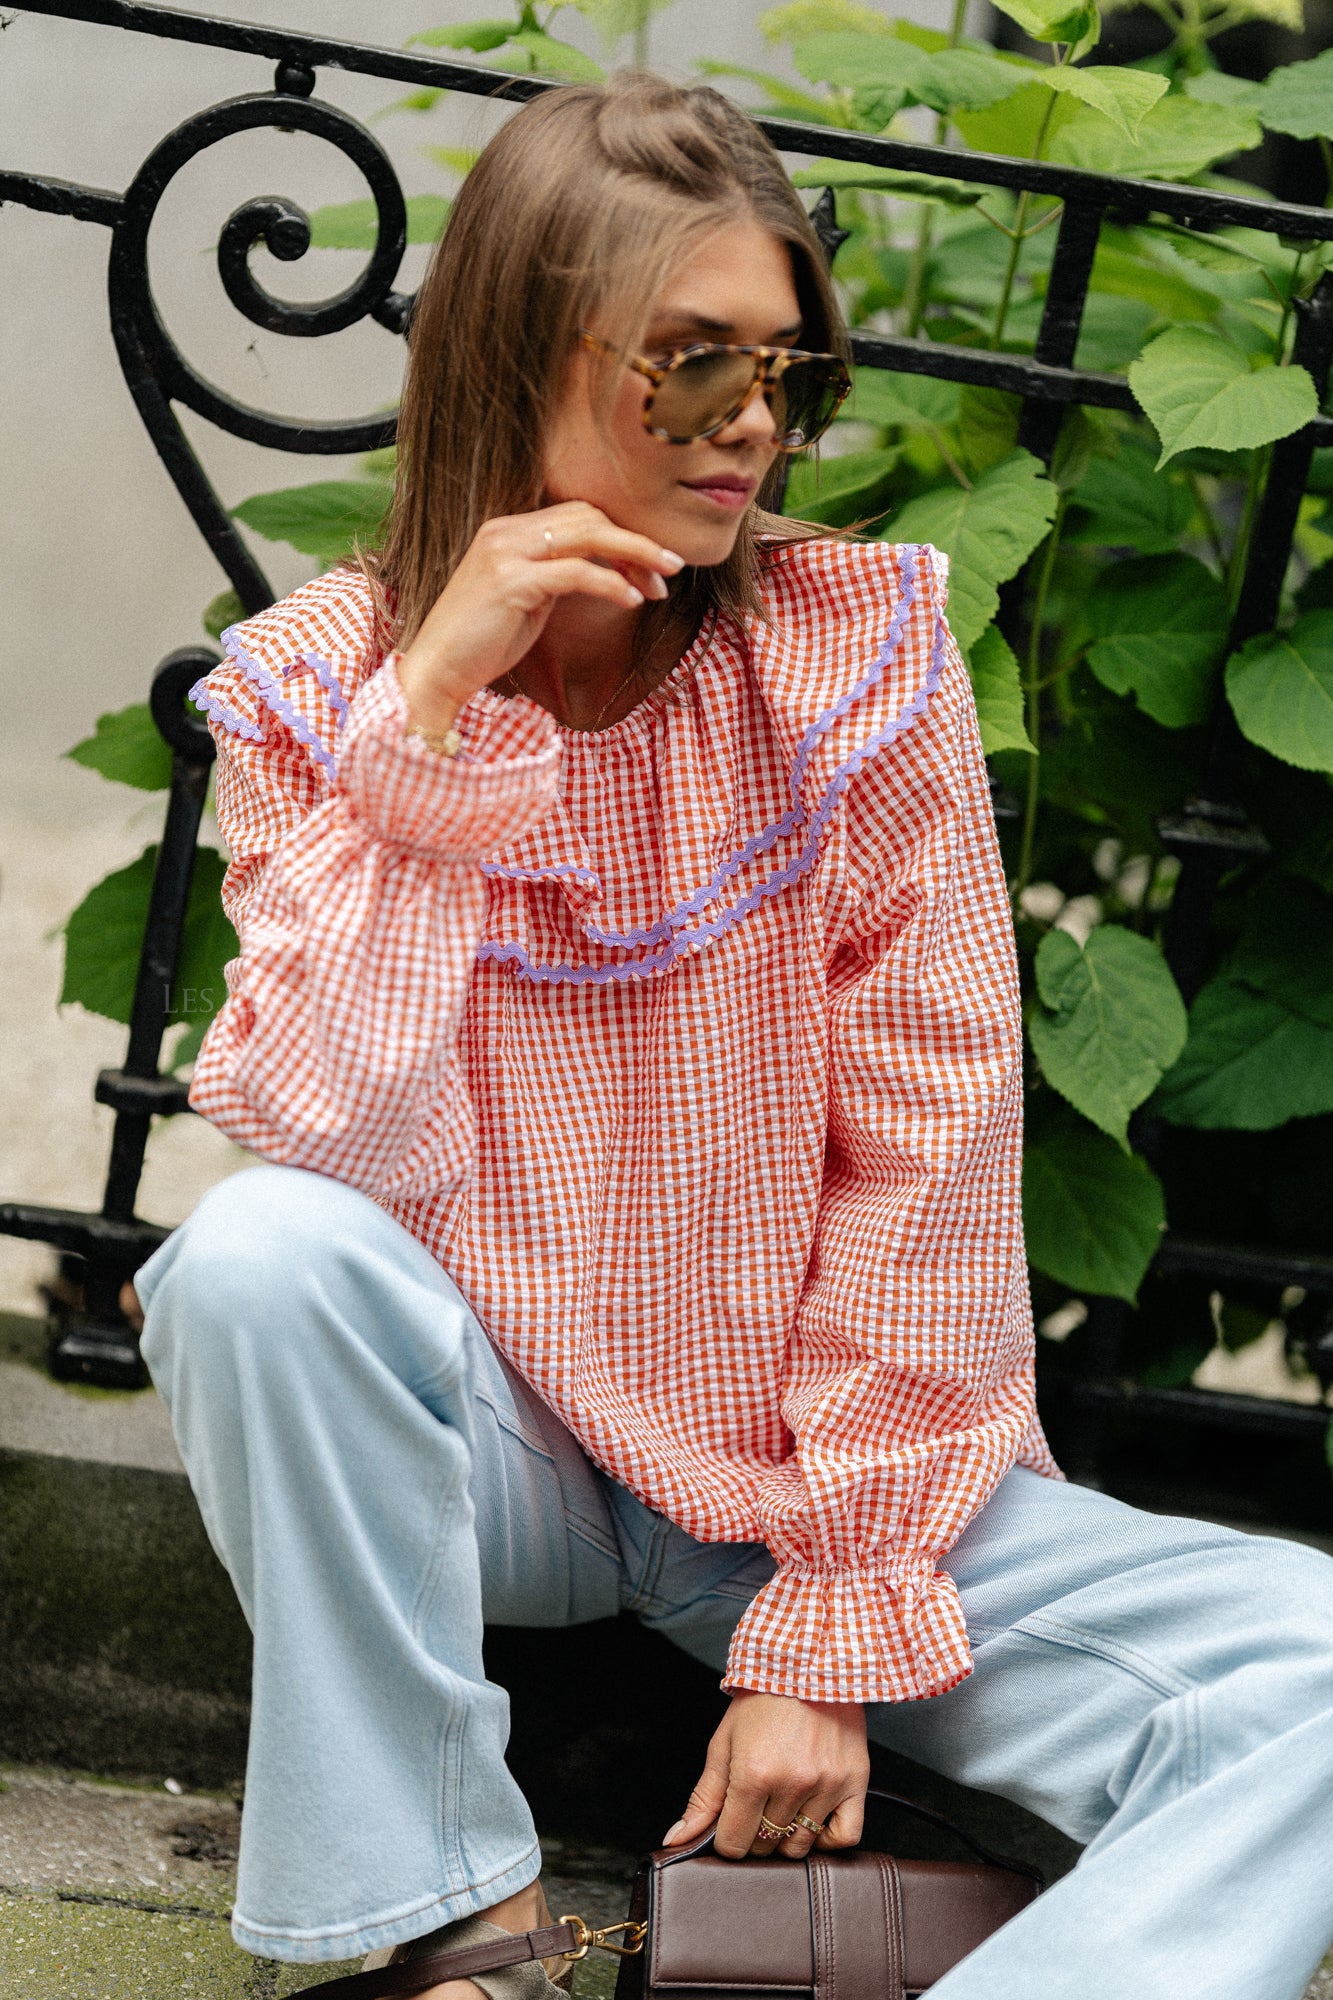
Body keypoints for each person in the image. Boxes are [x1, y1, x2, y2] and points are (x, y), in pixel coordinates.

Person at [128, 72, 1333, 2000]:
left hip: (813, 1480)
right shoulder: (314, 693)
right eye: (695, 372)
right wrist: (430, 722)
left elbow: (927, 1162)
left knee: (1324, 1682)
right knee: (253, 1260)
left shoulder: (856, 660)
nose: (755, 428)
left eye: (789, 371)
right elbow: (331, 1129)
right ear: (525, 355)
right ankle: (438, 1930)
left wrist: (831, 1619)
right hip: (499, 1451)